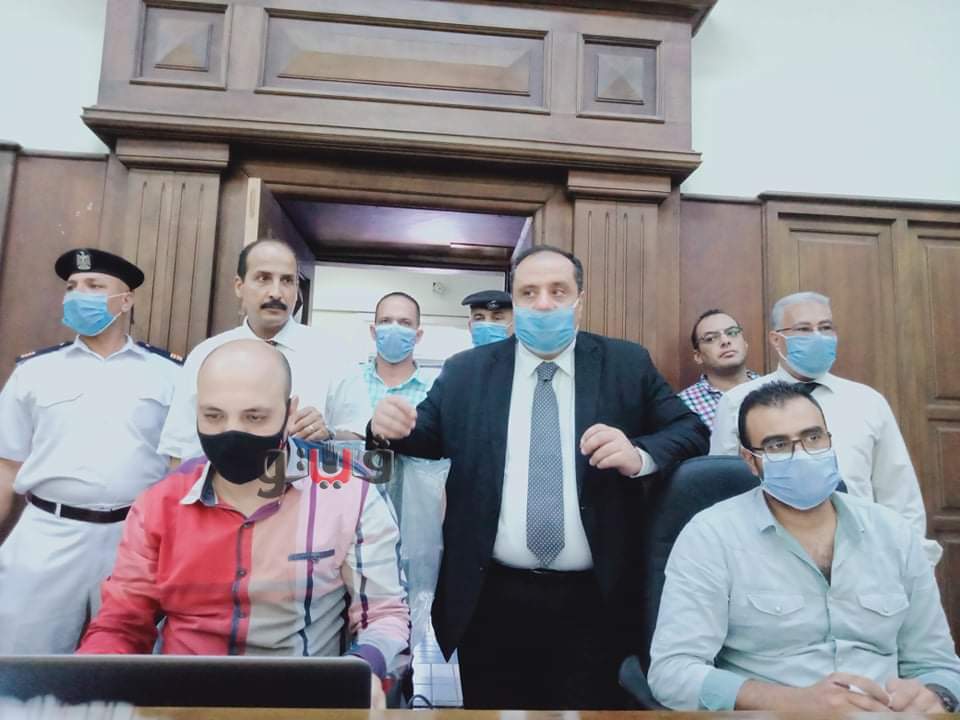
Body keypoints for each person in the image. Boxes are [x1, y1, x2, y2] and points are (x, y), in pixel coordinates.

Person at [368, 245, 708, 710]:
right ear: (516, 303)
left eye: (558, 291)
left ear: (580, 300)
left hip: (598, 599)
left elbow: (691, 431)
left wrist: (639, 454)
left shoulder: (626, 364)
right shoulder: (467, 372)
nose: (544, 303)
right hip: (491, 597)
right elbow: (422, 435)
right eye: (529, 293)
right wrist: (384, 428)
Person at [78, 339, 409, 709]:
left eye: (254, 418)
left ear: (289, 412)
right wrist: (91, 679)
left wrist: (365, 669)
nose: (231, 433)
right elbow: (122, 622)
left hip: (300, 705)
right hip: (181, 705)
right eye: (213, 416)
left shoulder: (350, 496)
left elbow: (384, 615)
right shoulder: (160, 504)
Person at [649, 382, 960, 713]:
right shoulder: (711, 536)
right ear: (751, 461)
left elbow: (939, 665)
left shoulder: (893, 533)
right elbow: (672, 674)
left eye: (813, 437)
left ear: (830, 441)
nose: (801, 454)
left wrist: (937, 695)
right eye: (778, 445)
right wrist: (792, 702)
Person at [0, 248, 180, 653]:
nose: (79, 294)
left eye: (94, 286)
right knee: (23, 660)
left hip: (132, 539)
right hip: (46, 535)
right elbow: (6, 466)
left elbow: (179, 469)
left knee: (126, 662)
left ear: (125, 300)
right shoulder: (35, 372)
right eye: (72, 287)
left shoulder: (168, 374)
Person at [710, 291, 940, 564]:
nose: (818, 337)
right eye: (804, 329)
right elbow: (722, 490)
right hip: (766, 557)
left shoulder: (868, 401)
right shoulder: (737, 402)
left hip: (863, 555)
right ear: (776, 339)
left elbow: (898, 491)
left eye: (826, 328)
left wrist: (912, 561)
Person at [159, 239, 364, 463]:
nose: (276, 293)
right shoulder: (207, 355)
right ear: (239, 286)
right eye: (263, 278)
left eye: (287, 281)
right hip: (220, 484)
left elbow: (359, 439)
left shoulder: (334, 354)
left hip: (307, 483)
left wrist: (328, 436)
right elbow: (179, 449)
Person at [325, 292, 431, 439]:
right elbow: (325, 435)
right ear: (373, 332)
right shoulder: (344, 381)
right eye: (386, 321)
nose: (394, 329)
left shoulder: (433, 390)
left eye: (405, 323)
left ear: (418, 335)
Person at [678, 308, 758, 429]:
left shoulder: (775, 388)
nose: (725, 341)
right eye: (710, 338)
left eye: (732, 333)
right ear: (698, 356)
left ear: (745, 344)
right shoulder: (683, 407)